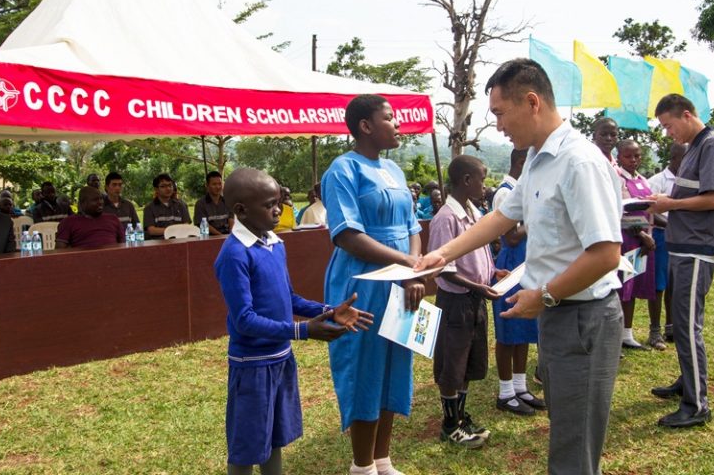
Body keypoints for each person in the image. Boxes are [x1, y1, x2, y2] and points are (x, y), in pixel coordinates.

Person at [416, 58, 623, 475]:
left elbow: (606, 253)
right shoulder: (537, 159)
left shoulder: (578, 161)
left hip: (581, 315)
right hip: (559, 313)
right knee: (567, 432)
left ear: (531, 102)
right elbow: (502, 216)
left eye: (499, 113)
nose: (498, 127)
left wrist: (543, 296)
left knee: (574, 444)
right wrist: (442, 255)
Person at [214, 167, 373, 475]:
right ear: (240, 210)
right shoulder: (234, 254)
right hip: (252, 364)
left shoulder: (273, 243)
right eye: (269, 204)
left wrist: (328, 309)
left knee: (273, 437)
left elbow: (290, 298)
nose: (279, 210)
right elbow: (244, 319)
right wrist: (302, 330)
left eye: (280, 202)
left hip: (279, 359)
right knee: (247, 444)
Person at [322, 94, 425, 475]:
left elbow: (413, 227)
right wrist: (407, 264)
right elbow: (347, 235)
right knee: (364, 367)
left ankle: (383, 460)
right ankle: (361, 466)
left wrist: (412, 272)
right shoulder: (342, 170)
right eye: (389, 118)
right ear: (365, 126)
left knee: (395, 363)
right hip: (361, 283)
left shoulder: (395, 171)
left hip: (400, 282)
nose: (397, 124)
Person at [647, 93, 714, 429]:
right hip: (685, 244)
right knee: (683, 322)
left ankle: (697, 404)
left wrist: (669, 204)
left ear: (687, 115)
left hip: (699, 247)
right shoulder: (697, 147)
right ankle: (688, 380)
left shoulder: (712, 144)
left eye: (669, 126)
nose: (669, 134)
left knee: (686, 326)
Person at [428, 155, 501, 448]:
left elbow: (480, 254)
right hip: (457, 302)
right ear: (467, 180)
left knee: (469, 362)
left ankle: (459, 417)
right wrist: (477, 286)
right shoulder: (446, 218)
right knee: (452, 364)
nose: (485, 186)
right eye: (482, 179)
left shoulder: (473, 213)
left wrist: (495, 272)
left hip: (475, 299)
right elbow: (441, 268)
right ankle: (449, 425)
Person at [491, 148, 545, 416]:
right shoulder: (505, 192)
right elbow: (510, 237)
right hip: (510, 265)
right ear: (523, 162)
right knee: (508, 330)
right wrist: (538, 216)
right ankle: (505, 391)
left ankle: (520, 386)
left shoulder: (523, 189)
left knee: (524, 326)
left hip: (525, 263)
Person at [616, 139, 656, 351]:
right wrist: (642, 234)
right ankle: (615, 335)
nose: (633, 160)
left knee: (633, 286)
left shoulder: (642, 180)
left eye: (637, 156)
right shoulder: (618, 178)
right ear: (619, 156)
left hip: (642, 242)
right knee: (622, 287)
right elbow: (620, 213)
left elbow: (649, 210)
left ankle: (627, 334)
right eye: (628, 156)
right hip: (627, 239)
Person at [647, 142, 688, 345]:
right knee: (659, 284)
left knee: (674, 283)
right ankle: (654, 330)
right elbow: (650, 211)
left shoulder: (688, 181)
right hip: (661, 236)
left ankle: (671, 327)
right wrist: (675, 224)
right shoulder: (657, 181)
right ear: (674, 158)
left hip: (681, 238)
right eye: (685, 158)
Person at [56, 187, 125, 249]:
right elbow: (59, 252)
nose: (100, 202)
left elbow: (124, 245)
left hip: (113, 259)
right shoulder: (68, 222)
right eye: (95, 200)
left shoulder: (113, 219)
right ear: (83, 203)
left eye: (101, 199)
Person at [143, 173, 191, 239]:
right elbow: (151, 230)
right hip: (158, 244)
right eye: (163, 186)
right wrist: (173, 231)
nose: (168, 188)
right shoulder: (149, 208)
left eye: (170, 185)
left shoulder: (181, 205)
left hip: (179, 241)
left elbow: (186, 226)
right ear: (156, 189)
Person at [194, 171, 232, 235]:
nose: (218, 187)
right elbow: (203, 225)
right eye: (214, 184)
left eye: (220, 184)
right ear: (207, 185)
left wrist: (230, 235)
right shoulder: (200, 204)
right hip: (210, 238)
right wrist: (220, 236)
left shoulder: (227, 201)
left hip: (227, 236)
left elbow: (231, 219)